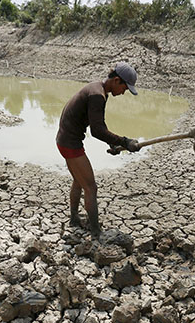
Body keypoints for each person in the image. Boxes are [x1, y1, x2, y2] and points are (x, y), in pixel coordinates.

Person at [56, 62, 140, 235]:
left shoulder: (98, 89)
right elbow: (97, 131)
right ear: (116, 80)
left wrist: (113, 144)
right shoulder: (97, 95)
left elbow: (99, 125)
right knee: (91, 187)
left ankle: (74, 219)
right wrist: (125, 142)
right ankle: (96, 232)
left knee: (79, 180)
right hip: (70, 143)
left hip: (65, 140)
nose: (123, 92)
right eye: (124, 88)